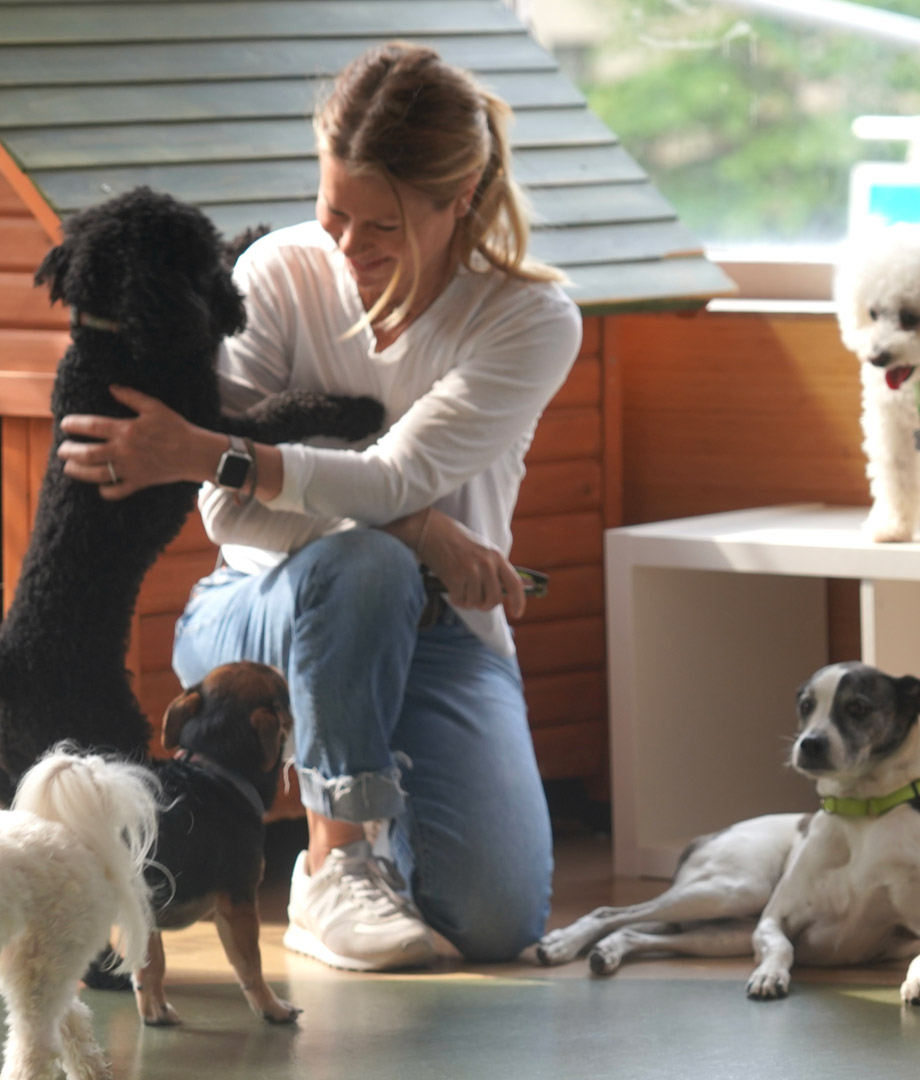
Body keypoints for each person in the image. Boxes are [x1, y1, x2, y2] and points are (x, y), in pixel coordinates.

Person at [54, 41, 582, 971]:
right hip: (262, 614)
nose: (347, 245)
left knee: (498, 922)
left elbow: (386, 477)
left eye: (382, 225)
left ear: (459, 199)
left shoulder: (528, 322)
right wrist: (420, 530)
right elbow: (230, 518)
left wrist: (212, 453)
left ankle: (376, 811)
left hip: (443, 635)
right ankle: (334, 863)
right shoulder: (276, 273)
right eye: (334, 209)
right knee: (368, 562)